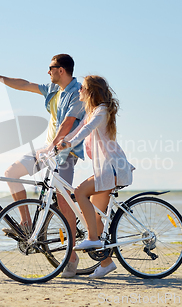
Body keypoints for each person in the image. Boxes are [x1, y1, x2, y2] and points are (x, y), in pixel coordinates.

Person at [0, 54, 84, 278]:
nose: (48, 72)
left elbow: (68, 123)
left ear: (61, 70)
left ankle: (71, 255)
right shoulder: (53, 90)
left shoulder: (77, 92)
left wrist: (53, 146)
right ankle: (26, 225)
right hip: (47, 150)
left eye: (51, 68)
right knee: (12, 173)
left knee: (64, 203)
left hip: (65, 152)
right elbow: (24, 84)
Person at [58, 75, 135, 279]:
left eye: (82, 88)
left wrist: (68, 143)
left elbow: (85, 130)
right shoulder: (92, 111)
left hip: (112, 168)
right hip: (106, 170)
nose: (79, 91)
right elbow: (79, 128)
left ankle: (92, 239)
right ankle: (106, 262)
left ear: (91, 91)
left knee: (79, 192)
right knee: (94, 218)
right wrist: (56, 145)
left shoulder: (101, 111)